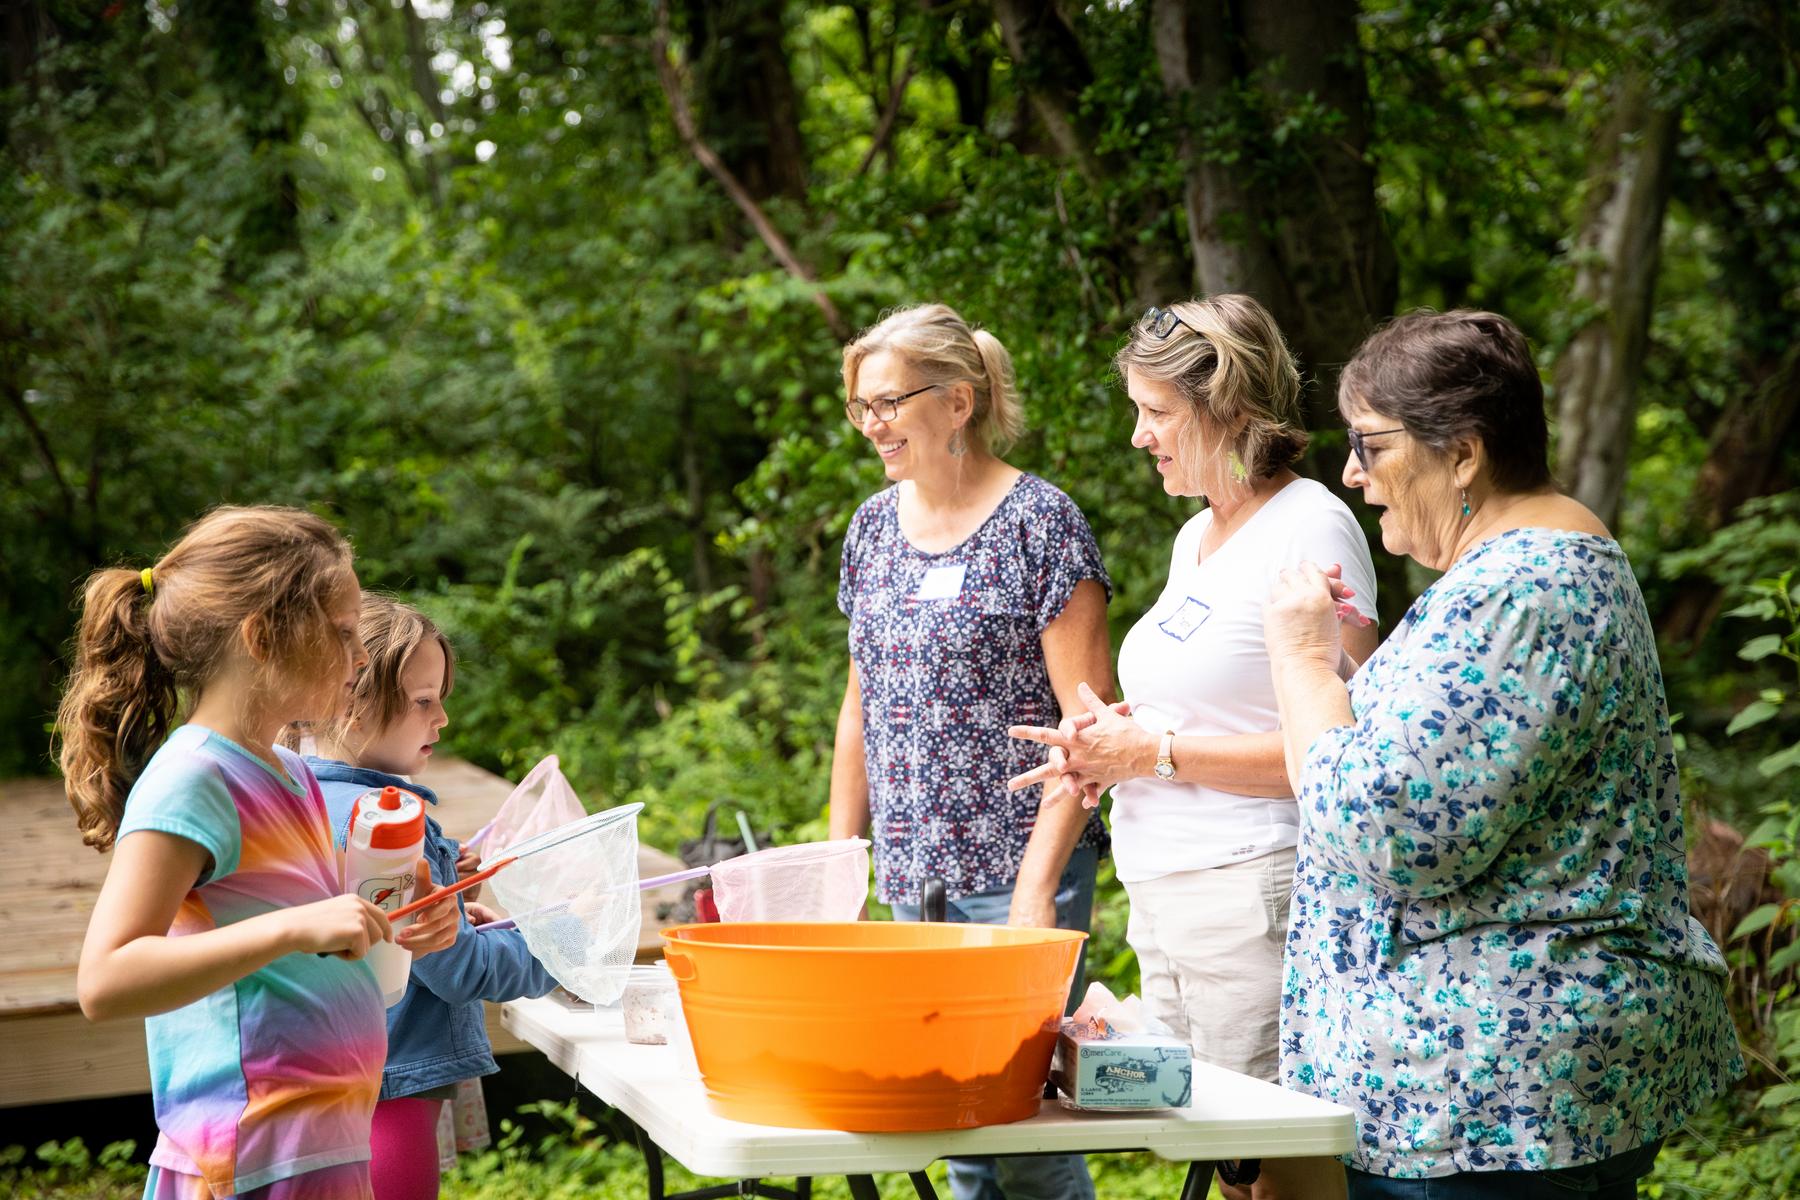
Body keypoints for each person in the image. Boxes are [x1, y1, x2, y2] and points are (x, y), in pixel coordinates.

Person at [1261, 309, 1743, 1196]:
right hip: (1489, 1100)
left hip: (1489, 1111)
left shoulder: (1523, 590)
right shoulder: (1516, 576)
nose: (1352, 473)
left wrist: (1300, 661)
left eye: (1371, 445)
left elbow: (1392, 834)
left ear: (1463, 454)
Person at [1009, 295, 1378, 1200]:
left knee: (1276, 1165)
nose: (1140, 436)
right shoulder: (1195, 535)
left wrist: (1156, 754)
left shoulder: (1311, 525)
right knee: (1224, 1166)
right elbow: (1210, 702)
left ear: (1229, 407)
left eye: (1157, 412)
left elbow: (1357, 746)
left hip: (1258, 890)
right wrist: (1106, 742)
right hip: (1169, 898)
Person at [59, 506, 461, 1200]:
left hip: (322, 1143)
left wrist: (404, 918)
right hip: (248, 1154)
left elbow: (318, 930)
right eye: (341, 634)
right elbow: (106, 978)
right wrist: (292, 928)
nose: (360, 657)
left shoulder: (289, 770)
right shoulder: (193, 780)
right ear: (263, 638)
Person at [827, 302, 1112, 1200]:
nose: (871, 425)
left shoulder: (1043, 523)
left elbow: (1090, 731)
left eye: (887, 403)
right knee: (955, 1132)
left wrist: (1035, 893)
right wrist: (843, 864)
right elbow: (857, 710)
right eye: (858, 407)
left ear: (957, 402)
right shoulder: (871, 529)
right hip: (915, 878)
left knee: (1018, 1134)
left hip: (1018, 869)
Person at [302, 595, 558, 1200]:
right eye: (423, 702)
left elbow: (388, 934)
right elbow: (459, 968)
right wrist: (555, 946)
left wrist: (446, 867)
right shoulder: (388, 829)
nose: (442, 719)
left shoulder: (299, 800)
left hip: (320, 1088)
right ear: (352, 701)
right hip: (389, 1106)